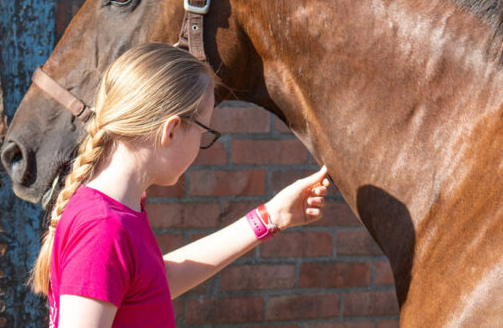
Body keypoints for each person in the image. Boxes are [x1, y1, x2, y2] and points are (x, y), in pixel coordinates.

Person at [30, 43, 330, 328]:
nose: (201, 144)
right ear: (171, 130)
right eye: (203, 130)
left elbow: (152, 283)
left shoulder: (118, 211)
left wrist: (270, 217)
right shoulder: (104, 229)